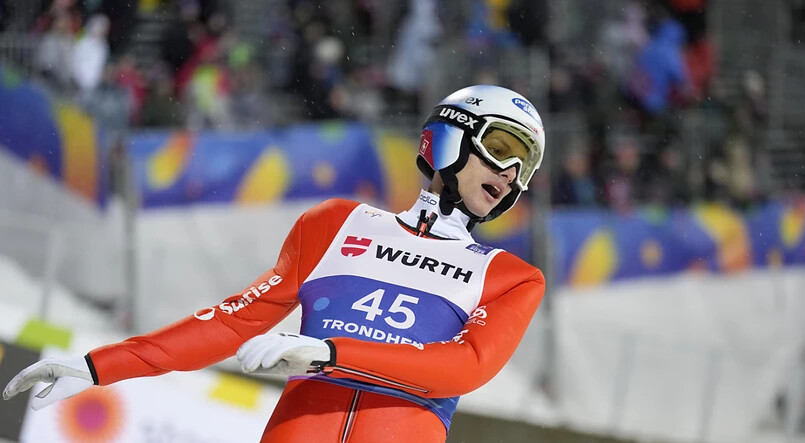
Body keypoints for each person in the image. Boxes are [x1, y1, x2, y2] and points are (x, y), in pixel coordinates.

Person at [3, 85, 547, 442]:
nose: (513, 172)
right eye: (503, 147)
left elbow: (463, 367)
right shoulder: (337, 223)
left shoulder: (511, 278)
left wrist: (329, 353)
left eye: (527, 164)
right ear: (450, 136)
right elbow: (235, 320)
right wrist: (101, 365)